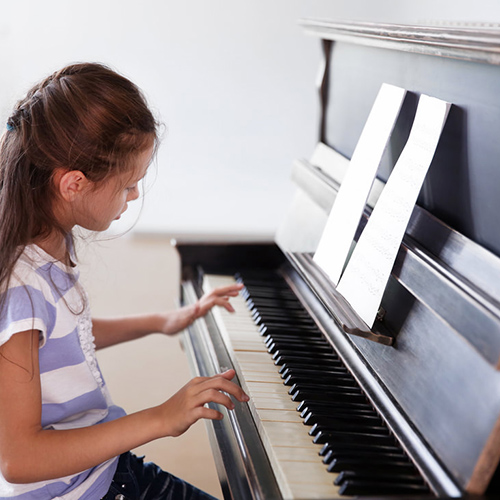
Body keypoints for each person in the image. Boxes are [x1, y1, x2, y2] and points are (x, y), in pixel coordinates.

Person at [0, 63, 248, 500]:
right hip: (77, 490)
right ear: (74, 184)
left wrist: (163, 320)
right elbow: (18, 460)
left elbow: (63, 338)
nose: (132, 196)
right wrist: (159, 418)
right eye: (128, 184)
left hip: (99, 471)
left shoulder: (46, 250)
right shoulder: (21, 287)